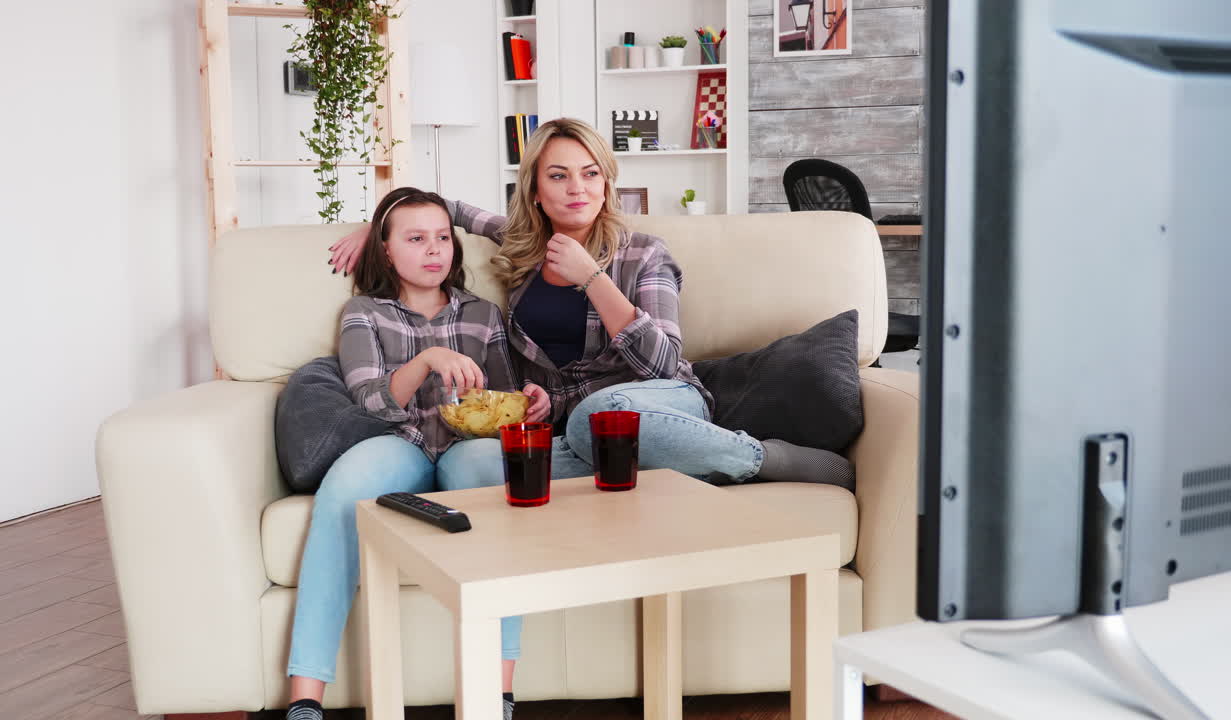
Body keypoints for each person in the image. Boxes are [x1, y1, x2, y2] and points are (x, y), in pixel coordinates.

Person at [329, 118, 853, 489]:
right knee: (474, 469)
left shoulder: (643, 253)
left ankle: (760, 458)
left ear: (606, 182)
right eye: (558, 175)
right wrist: (377, 228)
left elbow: (665, 364)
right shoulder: (523, 246)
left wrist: (595, 279)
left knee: (602, 415)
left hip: (655, 404)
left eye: (590, 173)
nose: (576, 188)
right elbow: (446, 210)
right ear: (535, 189)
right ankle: (673, 468)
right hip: (572, 425)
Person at [287, 188, 540, 720]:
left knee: (498, 481)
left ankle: (498, 693)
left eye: (443, 238)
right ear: (386, 251)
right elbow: (369, 402)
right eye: (416, 238)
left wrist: (525, 407)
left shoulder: (483, 314)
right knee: (340, 498)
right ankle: (305, 699)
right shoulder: (363, 313)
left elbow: (501, 401)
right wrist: (427, 359)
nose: (434, 250)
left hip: (466, 446)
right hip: (394, 441)